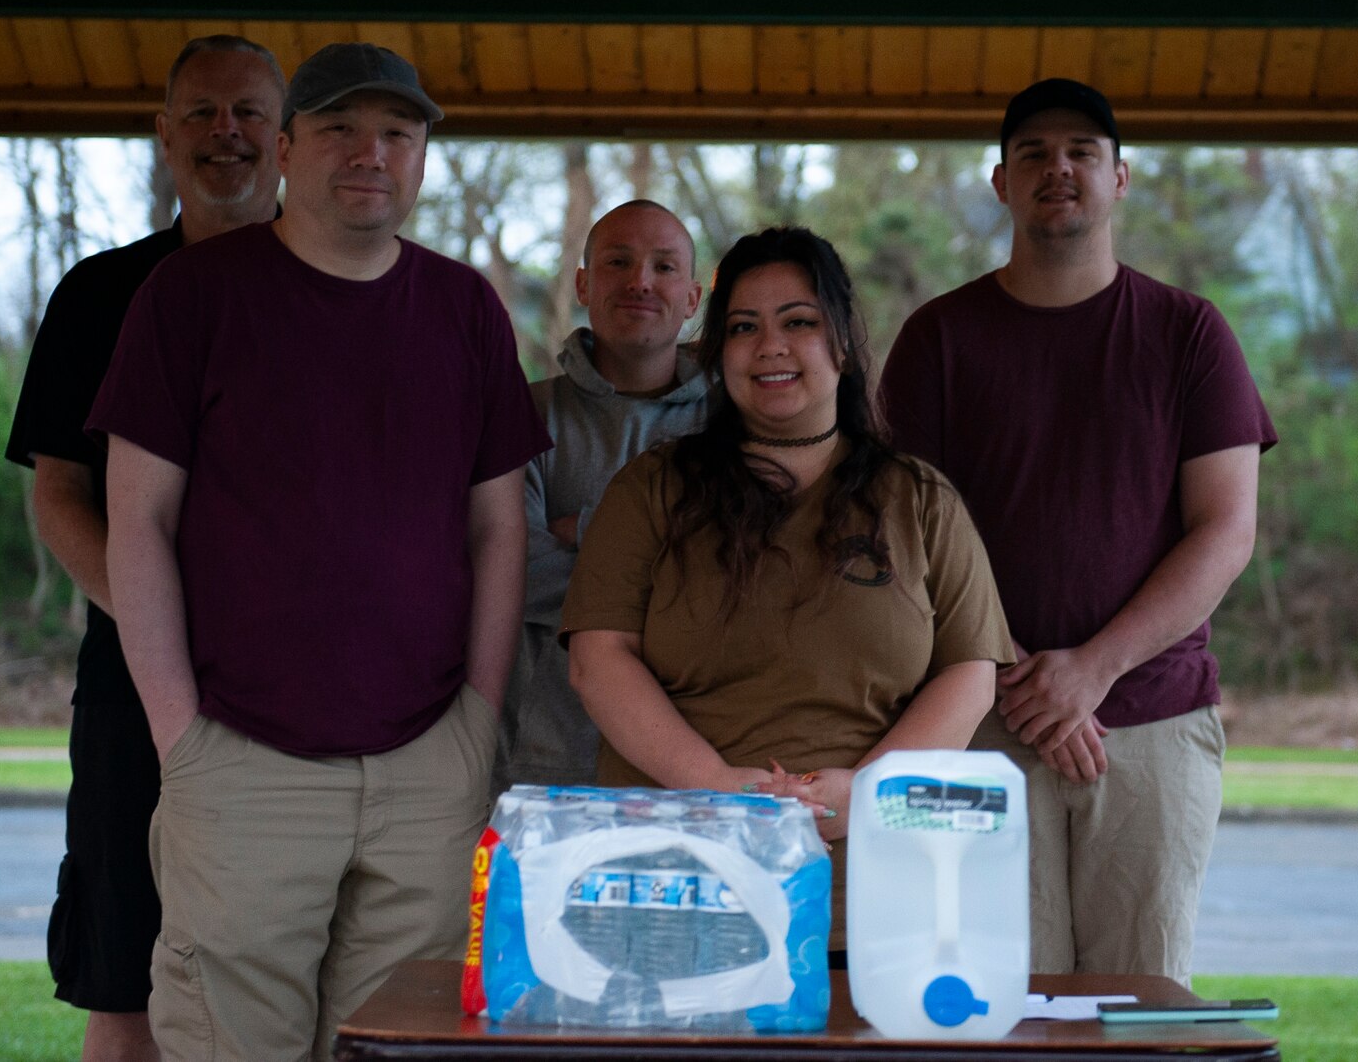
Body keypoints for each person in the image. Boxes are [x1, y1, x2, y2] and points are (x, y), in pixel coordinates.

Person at [90, 42, 550, 1062]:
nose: (369, 152)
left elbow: (498, 526)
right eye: (340, 127)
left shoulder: (465, 308)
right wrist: (182, 737)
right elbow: (137, 524)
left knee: (401, 1041)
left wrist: (476, 719)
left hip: (427, 761)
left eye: (396, 131)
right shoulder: (190, 297)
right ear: (287, 147)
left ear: (423, 156)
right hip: (242, 756)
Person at [879, 78, 1276, 983]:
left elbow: (1225, 531)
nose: (1058, 168)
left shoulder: (1189, 334)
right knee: (993, 1005)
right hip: (975, 726)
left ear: (1120, 178)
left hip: (1152, 728)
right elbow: (910, 540)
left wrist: (1092, 668)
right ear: (1000, 182)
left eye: (1082, 153)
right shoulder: (938, 339)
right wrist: (1025, 685)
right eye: (1034, 154)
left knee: (1142, 1007)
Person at [562, 227, 1015, 947]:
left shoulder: (920, 497)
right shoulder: (652, 488)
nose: (770, 345)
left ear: (841, 343)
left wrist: (868, 796)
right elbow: (597, 658)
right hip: (677, 887)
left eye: (798, 321)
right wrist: (712, 786)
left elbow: (970, 671)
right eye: (743, 327)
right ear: (719, 354)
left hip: (874, 894)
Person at [5, 34, 285, 1062]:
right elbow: (59, 493)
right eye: (203, 112)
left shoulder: (345, 291)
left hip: (306, 701)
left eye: (250, 111)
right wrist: (165, 633)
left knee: (295, 978)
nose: (227, 132)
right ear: (163, 135)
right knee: (125, 986)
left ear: (288, 137)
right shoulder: (98, 295)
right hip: (134, 699)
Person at [499, 199, 710, 788]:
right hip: (548, 754)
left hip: (707, 755)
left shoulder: (734, 425)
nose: (641, 281)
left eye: (664, 267)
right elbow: (515, 574)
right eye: (619, 262)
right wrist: (678, 574)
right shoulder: (524, 415)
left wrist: (584, 529)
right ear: (585, 283)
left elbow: (751, 580)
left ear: (692, 300)